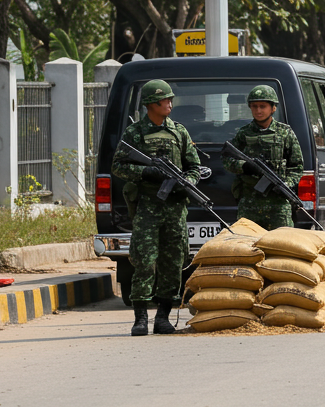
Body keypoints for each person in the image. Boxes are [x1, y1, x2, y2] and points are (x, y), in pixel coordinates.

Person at [111, 80, 203, 336]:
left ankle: (163, 316)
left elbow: (193, 167)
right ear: (152, 104)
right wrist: (146, 172)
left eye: (171, 99)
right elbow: (118, 166)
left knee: (173, 262)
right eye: (165, 100)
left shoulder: (179, 132)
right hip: (148, 208)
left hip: (174, 209)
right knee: (145, 262)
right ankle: (140, 318)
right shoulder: (134, 133)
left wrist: (188, 182)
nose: (170, 104)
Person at [221, 85, 304, 231]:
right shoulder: (243, 133)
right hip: (249, 203)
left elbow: (296, 167)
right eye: (254, 106)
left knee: (281, 244)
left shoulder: (285, 133)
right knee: (248, 245)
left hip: (278, 205)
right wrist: (244, 166)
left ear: (273, 108)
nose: (258, 110)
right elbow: (227, 159)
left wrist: (284, 184)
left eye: (262, 106)